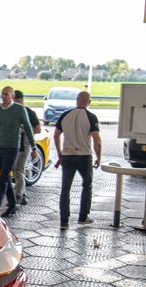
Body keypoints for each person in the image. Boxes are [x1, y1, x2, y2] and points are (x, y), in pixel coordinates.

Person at [53, 91, 102, 230]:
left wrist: (59, 153)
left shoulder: (65, 115)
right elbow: (96, 139)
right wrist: (99, 156)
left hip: (67, 155)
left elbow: (56, 135)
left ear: (76, 100)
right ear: (89, 102)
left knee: (65, 188)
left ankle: (64, 221)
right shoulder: (91, 117)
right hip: (84, 156)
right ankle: (83, 217)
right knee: (87, 185)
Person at [0, 86, 36, 217]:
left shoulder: (19, 109)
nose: (4, 96)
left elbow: (29, 129)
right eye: (2, 94)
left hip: (12, 147)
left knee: (3, 178)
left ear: (13, 96)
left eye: (6, 94)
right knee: (5, 176)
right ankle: (12, 205)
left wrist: (34, 147)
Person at [13, 90, 41, 205]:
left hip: (25, 146)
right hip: (13, 146)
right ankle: (22, 195)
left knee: (18, 170)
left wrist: (22, 131)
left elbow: (37, 129)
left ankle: (17, 197)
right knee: (16, 170)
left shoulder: (29, 112)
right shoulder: (12, 112)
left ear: (19, 100)